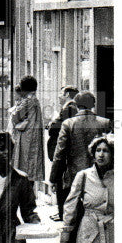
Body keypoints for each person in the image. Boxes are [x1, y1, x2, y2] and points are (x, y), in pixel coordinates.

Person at [50, 91, 112, 226]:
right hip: (100, 176)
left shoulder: (68, 124)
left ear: (76, 105)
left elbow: (59, 154)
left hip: (74, 175)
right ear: (93, 105)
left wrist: (54, 178)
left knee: (74, 215)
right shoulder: (105, 123)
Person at [46, 86, 78, 219]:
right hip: (62, 150)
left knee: (61, 181)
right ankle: (61, 212)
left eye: (61, 93)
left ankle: (62, 213)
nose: (59, 96)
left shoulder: (69, 108)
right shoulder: (69, 108)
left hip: (63, 152)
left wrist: (52, 124)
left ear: (67, 95)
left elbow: (56, 128)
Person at [8, 75, 45, 183]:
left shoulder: (27, 101)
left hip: (26, 139)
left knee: (23, 167)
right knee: (31, 169)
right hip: (34, 137)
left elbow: (15, 117)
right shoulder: (35, 100)